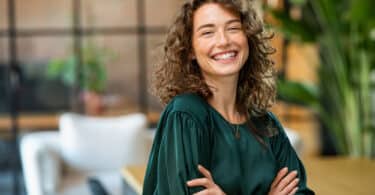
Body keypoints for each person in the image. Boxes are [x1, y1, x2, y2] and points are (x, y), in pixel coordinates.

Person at [143, 0, 314, 194]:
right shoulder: (186, 115)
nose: (223, 41)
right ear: (190, 50)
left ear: (247, 37)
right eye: (208, 32)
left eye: (233, 28)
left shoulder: (266, 124)